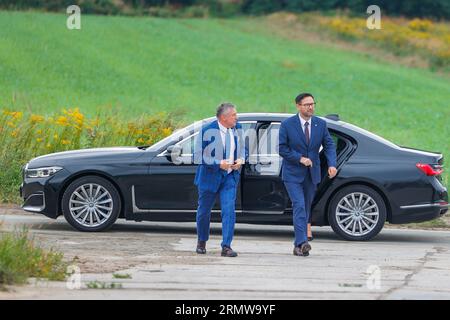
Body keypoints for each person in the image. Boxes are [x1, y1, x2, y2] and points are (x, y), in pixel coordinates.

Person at [279, 93, 337, 256]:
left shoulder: (320, 124)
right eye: (307, 104)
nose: (311, 107)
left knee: (305, 206)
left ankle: (299, 245)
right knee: (299, 205)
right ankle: (302, 242)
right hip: (292, 174)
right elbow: (282, 149)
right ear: (298, 106)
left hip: (312, 174)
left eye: (312, 104)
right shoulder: (288, 125)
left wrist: (332, 164)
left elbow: (329, 145)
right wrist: (299, 159)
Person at [193, 102, 245, 257]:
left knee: (229, 210)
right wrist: (218, 163)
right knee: (204, 211)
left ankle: (226, 246)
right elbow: (197, 156)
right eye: (234, 115)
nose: (237, 117)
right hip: (210, 177)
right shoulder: (207, 130)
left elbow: (243, 148)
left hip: (230, 177)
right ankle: (202, 240)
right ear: (224, 117)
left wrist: (241, 159)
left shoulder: (238, 128)